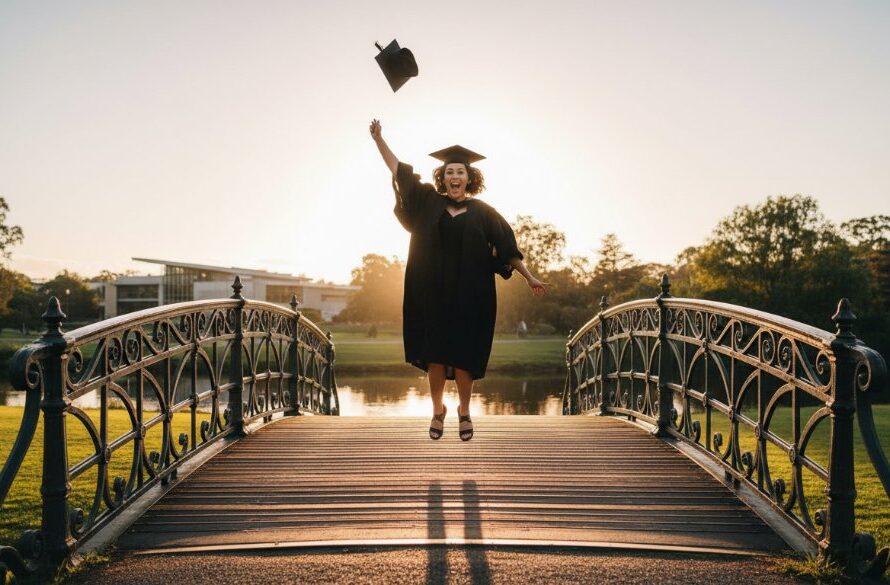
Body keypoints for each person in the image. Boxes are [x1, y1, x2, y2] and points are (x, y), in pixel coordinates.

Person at [370, 119, 546, 441]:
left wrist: (530, 277)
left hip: (471, 296)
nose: (454, 176)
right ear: (443, 176)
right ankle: (438, 410)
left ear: (469, 177)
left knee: (464, 360)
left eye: (460, 172)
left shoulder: (484, 212)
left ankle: (464, 410)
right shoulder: (428, 202)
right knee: (435, 357)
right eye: (449, 172)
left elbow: (508, 248)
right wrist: (380, 140)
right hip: (431, 294)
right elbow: (399, 172)